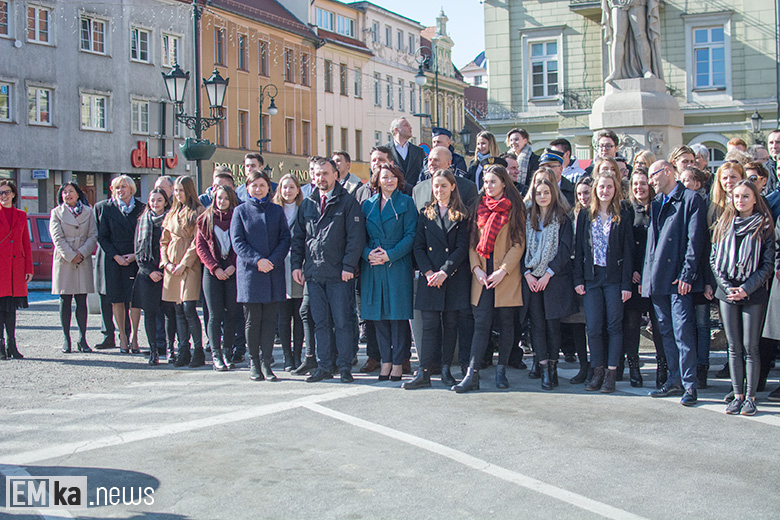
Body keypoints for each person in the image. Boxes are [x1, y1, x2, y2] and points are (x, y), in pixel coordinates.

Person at [291, 157, 366, 383]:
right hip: (314, 274)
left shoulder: (348, 202)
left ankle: (344, 367)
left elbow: (355, 238)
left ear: (336, 175)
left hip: (339, 275)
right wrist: (297, 265)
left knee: (342, 322)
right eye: (317, 174)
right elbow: (298, 238)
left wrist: (348, 266)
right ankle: (324, 366)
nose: (321, 178)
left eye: (325, 173)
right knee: (320, 323)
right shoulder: (307, 203)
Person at [452, 165, 526, 393]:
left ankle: (501, 370)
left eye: (493, 181)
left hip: (505, 276)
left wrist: (503, 270)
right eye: (485, 182)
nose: (488, 186)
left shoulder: (515, 208)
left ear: (504, 183)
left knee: (506, 324)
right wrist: (476, 269)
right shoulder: (478, 207)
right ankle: (471, 374)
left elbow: (519, 244)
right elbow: (473, 242)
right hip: (483, 276)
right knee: (481, 324)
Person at [643, 160, 707, 406]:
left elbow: (695, 242)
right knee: (666, 332)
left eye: (653, 175)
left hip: (679, 279)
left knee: (683, 333)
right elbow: (652, 243)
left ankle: (690, 386)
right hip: (658, 279)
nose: (651, 182)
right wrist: (647, 279)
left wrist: (687, 275)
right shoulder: (657, 202)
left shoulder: (691, 199)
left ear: (667, 171)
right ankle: (674, 380)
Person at [711, 180, 774, 415]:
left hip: (753, 292)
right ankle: (737, 395)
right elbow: (714, 260)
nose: (740, 201)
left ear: (755, 199)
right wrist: (728, 288)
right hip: (727, 292)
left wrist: (746, 288)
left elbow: (767, 265)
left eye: (746, 196)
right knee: (733, 347)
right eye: (736, 196)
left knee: (751, 346)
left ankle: (750, 397)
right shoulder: (724, 224)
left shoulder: (764, 226)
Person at [404, 170, 471, 389]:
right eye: (435, 186)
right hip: (431, 278)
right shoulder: (426, 214)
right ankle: (423, 372)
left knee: (451, 325)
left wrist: (445, 271)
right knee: (429, 326)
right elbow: (418, 247)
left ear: (453, 187)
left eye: (443, 185)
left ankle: (445, 370)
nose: (439, 190)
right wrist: (429, 272)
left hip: (453, 278)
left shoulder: (462, 214)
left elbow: (462, 248)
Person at [573, 171, 634, 392]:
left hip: (615, 278)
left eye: (609, 187)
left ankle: (611, 372)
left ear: (615, 189)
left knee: (614, 326)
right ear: (596, 190)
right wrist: (578, 278)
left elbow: (629, 251)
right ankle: (597, 370)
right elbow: (579, 249)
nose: (605, 191)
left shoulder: (623, 214)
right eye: (601, 187)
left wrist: (627, 284)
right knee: (594, 326)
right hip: (592, 278)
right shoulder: (585, 215)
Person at [232, 170, 291, 381]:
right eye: (254, 185)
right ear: (247, 187)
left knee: (269, 321)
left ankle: (267, 363)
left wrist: (273, 260)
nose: (258, 189)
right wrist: (258, 260)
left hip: (273, 272)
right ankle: (254, 363)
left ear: (268, 188)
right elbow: (238, 242)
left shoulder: (276, 211)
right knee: (252, 320)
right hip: (251, 274)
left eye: (262, 185)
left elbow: (285, 238)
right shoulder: (240, 211)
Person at [360, 162, 417, 382]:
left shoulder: (406, 202)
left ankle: (398, 363)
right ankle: (385, 361)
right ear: (377, 180)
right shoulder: (368, 205)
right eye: (385, 177)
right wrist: (367, 254)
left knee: (397, 317)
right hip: (373, 266)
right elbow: (358, 237)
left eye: (393, 177)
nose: (389, 181)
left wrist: (390, 255)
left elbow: (411, 235)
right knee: (379, 318)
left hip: (396, 264)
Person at [523, 178, 577, 390]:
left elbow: (565, 249)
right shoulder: (527, 218)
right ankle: (543, 366)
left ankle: (553, 368)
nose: (542, 196)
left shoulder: (562, 218)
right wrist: (527, 274)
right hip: (531, 279)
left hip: (554, 279)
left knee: (553, 325)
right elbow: (520, 245)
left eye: (546, 192)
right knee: (537, 325)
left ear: (553, 194)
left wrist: (548, 273)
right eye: (538, 193)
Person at [623, 168, 665, 388]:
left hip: (655, 276)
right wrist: (632, 271)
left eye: (643, 183)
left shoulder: (659, 207)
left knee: (658, 325)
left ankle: (662, 366)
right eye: (635, 184)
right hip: (634, 276)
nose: (639, 188)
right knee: (631, 324)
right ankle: (634, 367)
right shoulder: (627, 209)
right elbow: (624, 245)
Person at [161, 176, 206, 367]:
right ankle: (183, 350)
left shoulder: (198, 211)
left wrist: (184, 263)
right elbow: (163, 241)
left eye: (181, 190)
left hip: (190, 265)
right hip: (171, 264)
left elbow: (198, 242)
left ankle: (198, 350)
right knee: (177, 309)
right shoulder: (171, 213)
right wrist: (166, 262)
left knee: (189, 308)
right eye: (176, 190)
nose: (178, 194)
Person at [97, 175, 145, 353]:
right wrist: (115, 256)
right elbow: (102, 236)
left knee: (134, 300)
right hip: (115, 261)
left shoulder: (142, 208)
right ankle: (123, 338)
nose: (120, 190)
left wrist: (135, 255)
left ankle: (134, 338)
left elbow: (144, 235)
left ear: (131, 189)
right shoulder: (107, 208)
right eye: (117, 188)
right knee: (117, 299)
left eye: (124, 187)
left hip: (134, 259)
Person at [50, 182, 97, 353]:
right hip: (65, 261)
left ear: (78, 193)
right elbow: (57, 237)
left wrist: (82, 253)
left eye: (71, 191)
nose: (67, 195)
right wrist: (71, 255)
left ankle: (82, 339)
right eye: (64, 192)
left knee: (81, 300)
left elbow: (93, 235)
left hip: (82, 259)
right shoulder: (56, 213)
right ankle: (66, 339)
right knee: (65, 300)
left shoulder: (89, 212)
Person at [197, 185, 239, 372]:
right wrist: (214, 268)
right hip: (212, 271)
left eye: (226, 198)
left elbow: (240, 243)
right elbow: (201, 247)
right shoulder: (205, 219)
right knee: (214, 315)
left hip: (232, 270)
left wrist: (232, 266)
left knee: (231, 313)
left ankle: (228, 352)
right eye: (219, 198)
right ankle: (216, 354)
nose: (222, 202)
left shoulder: (238, 217)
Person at [133, 188, 176, 365]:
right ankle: (153, 351)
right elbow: (137, 250)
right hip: (147, 274)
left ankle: (170, 349)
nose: (155, 203)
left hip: (167, 273)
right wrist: (149, 271)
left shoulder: (171, 220)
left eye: (159, 200)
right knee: (149, 314)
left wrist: (165, 269)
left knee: (169, 313)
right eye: (152, 200)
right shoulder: (142, 221)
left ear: (166, 202)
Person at [273, 174, 305, 371]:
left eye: (291, 187)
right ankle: (287, 356)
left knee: (299, 314)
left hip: (298, 265)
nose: (288, 191)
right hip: (279, 266)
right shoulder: (275, 211)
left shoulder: (303, 210)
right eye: (284, 187)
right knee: (283, 316)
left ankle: (298, 354)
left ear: (298, 190)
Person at [0, 181, 32, 359]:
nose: (3, 196)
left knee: (11, 309)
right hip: (1, 268)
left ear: (13, 194)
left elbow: (25, 243)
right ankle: (0, 345)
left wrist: (28, 267)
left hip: (16, 268)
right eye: (0, 194)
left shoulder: (21, 215)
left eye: (6, 192)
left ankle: (12, 344)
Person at [601, 0, 662, 82]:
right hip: (617, 3)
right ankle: (616, 71)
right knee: (617, 36)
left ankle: (646, 69)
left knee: (640, 35)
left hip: (637, 2)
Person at [386, 117, 426, 186]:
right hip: (393, 193)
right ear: (396, 130)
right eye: (406, 125)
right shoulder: (385, 151)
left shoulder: (418, 151)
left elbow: (423, 173)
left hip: (414, 193)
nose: (410, 128)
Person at [708, 162, 746, 228]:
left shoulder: (752, 200)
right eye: (725, 178)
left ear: (742, 178)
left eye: (733, 177)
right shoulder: (712, 202)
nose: (729, 181)